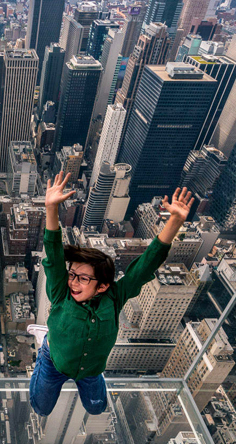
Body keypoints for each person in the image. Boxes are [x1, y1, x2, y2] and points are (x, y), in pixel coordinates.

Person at [28, 171, 193, 416]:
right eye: (72, 274)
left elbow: (145, 266)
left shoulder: (114, 297)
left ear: (103, 285)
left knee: (97, 409)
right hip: (54, 360)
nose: (73, 282)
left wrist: (175, 222)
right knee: (40, 408)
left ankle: (76, 362)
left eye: (83, 279)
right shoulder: (61, 293)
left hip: (92, 369)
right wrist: (51, 209)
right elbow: (53, 256)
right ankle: (46, 342)